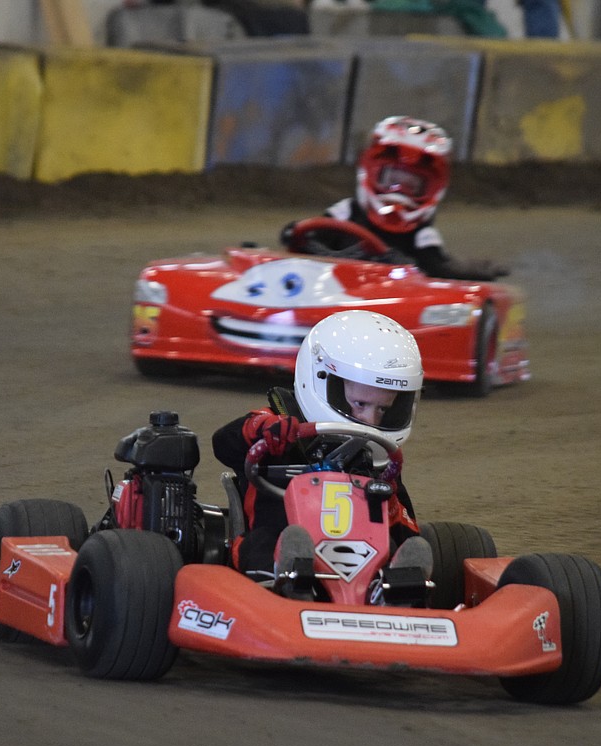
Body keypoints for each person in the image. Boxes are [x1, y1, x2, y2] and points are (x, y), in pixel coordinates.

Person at [211, 310, 433, 600]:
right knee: (270, 543)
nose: (371, 421)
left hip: (360, 552)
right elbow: (223, 444)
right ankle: (289, 582)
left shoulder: (378, 455)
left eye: (383, 409)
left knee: (403, 543)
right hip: (278, 538)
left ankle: (390, 592)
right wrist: (264, 430)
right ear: (319, 378)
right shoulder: (277, 423)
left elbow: (403, 521)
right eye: (361, 403)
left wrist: (390, 501)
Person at [281, 115, 507, 282]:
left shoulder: (422, 236)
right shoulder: (346, 213)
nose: (399, 191)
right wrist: (297, 234)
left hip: (387, 314)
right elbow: (306, 239)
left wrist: (475, 270)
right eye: (392, 179)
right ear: (372, 172)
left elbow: (441, 268)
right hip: (332, 295)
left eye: (411, 184)